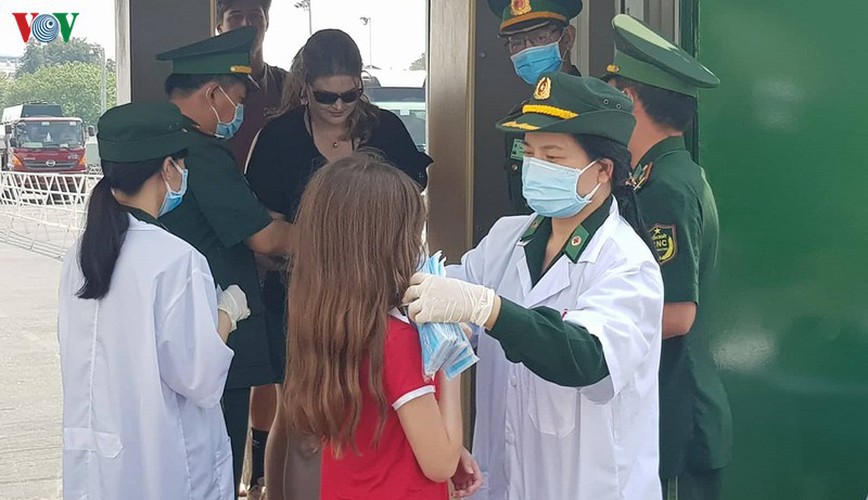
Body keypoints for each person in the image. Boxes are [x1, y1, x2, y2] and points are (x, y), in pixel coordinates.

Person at [403, 74, 664, 499]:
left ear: (602, 171)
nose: (535, 166)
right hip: (505, 480)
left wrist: (490, 309)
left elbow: (586, 356)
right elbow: (443, 296)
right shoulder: (509, 238)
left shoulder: (626, 264)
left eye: (553, 156)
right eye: (529, 153)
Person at [246, 28, 432, 495]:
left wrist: (309, 239)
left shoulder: (385, 129)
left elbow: (410, 214)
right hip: (302, 298)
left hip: (377, 301)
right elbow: (264, 236)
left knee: (372, 417)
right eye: (326, 96)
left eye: (350, 95)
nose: (337, 107)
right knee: (302, 421)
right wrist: (346, 243)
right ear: (304, 86)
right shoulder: (279, 138)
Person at [58, 102, 252, 499]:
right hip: (166, 466)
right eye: (182, 165)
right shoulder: (177, 260)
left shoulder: (80, 254)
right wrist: (227, 314)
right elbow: (198, 377)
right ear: (168, 168)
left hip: (101, 459)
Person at [267, 153, 481, 499]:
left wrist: (449, 445)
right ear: (389, 243)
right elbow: (440, 463)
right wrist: (450, 359)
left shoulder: (328, 321)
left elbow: (387, 431)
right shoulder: (397, 339)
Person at [155, 26, 296, 493]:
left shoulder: (162, 143)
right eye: (236, 97)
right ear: (214, 92)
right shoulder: (202, 152)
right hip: (214, 329)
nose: (238, 111)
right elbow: (265, 236)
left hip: (178, 329)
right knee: (216, 462)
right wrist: (336, 240)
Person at [604, 14, 732, 500]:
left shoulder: (664, 186)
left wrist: (588, 333)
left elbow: (676, 314)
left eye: (614, 89)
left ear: (630, 99)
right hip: (671, 407)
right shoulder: (664, 174)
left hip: (677, 415)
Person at [487, 0, 584, 214]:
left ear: (567, 38)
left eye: (539, 38)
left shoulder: (592, 111)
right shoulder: (520, 117)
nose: (527, 51)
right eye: (517, 43)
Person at [216, 0, 288, 171]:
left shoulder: (286, 85)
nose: (246, 24)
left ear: (267, 22)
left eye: (255, 16)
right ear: (219, 27)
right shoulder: (206, 89)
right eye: (235, 16)